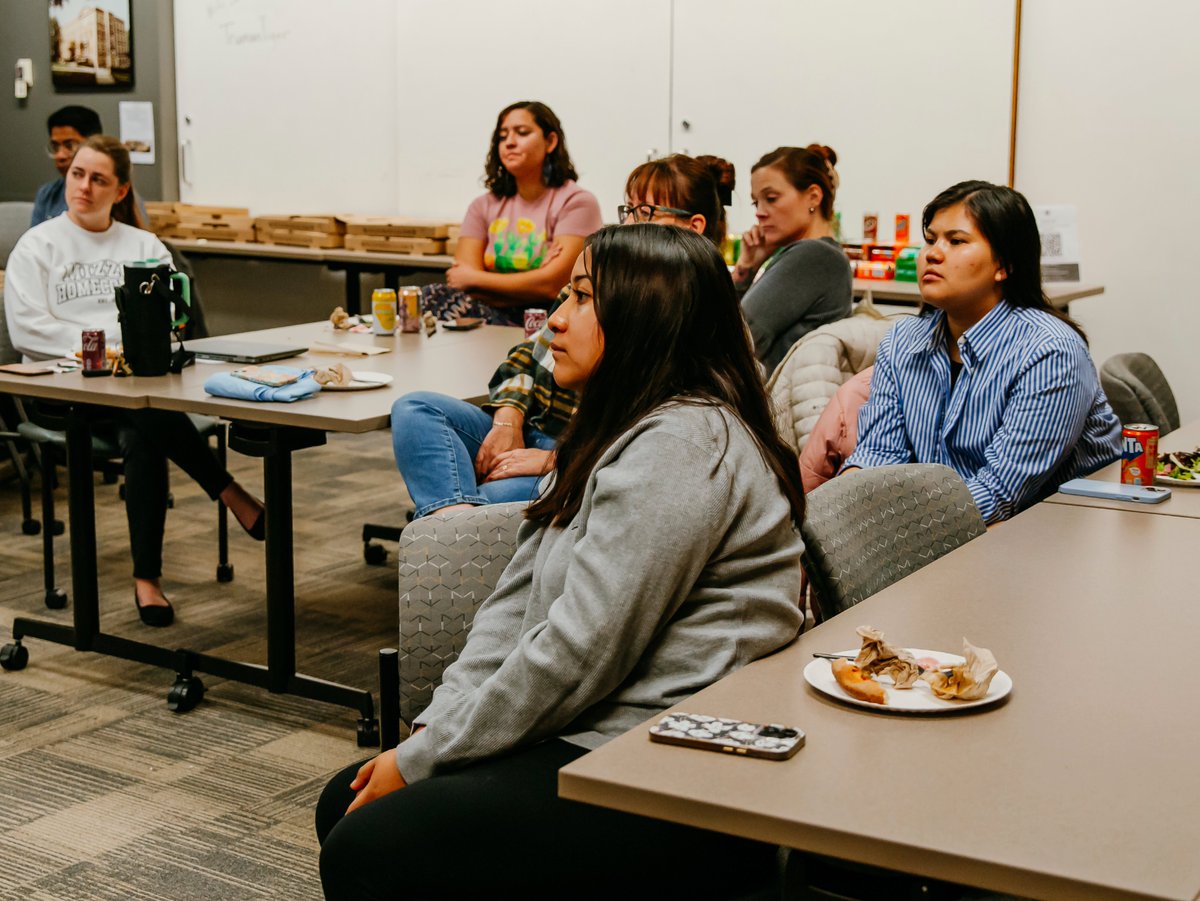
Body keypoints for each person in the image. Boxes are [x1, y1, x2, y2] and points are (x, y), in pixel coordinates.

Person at [317, 224, 806, 900]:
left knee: (366, 844)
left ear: (645, 318)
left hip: (678, 764)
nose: (555, 320)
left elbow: (582, 652)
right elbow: (514, 602)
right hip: (602, 723)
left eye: (581, 297)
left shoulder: (682, 444)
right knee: (347, 803)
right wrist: (437, 726)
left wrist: (431, 755)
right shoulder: (616, 426)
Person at [5, 135, 265, 626]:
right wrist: (110, 345)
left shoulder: (143, 247)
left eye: (98, 179)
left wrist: (126, 349)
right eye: (77, 174)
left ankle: (149, 578)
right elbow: (28, 332)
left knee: (140, 427)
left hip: (134, 387)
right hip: (61, 390)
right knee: (144, 415)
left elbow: (168, 326)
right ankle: (228, 493)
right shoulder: (37, 245)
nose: (83, 186)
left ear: (121, 190)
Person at [392, 153, 735, 518]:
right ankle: (455, 524)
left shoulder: (682, 314)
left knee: (489, 497)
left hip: (583, 452)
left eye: (646, 211)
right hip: (536, 426)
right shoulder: (600, 277)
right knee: (415, 409)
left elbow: (648, 438)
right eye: (628, 209)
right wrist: (509, 420)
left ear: (693, 226)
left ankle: (452, 525)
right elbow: (526, 358)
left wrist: (556, 458)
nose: (631, 222)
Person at [844, 180, 1122, 524]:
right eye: (930, 239)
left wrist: (890, 529)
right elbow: (877, 456)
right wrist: (839, 515)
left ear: (1003, 265)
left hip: (1054, 536)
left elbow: (998, 494)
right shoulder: (902, 340)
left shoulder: (1050, 351)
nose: (932, 254)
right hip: (940, 529)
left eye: (956, 241)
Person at [423, 100, 603, 326]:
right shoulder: (482, 206)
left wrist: (478, 279)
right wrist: (534, 279)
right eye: (502, 136)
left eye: (522, 133)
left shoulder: (577, 202)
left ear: (550, 141)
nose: (509, 142)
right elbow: (464, 283)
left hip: (549, 318)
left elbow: (552, 287)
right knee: (431, 294)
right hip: (489, 314)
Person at [735, 145, 853, 374]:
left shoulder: (814, 256)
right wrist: (748, 266)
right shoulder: (825, 254)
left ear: (813, 197)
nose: (759, 212)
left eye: (771, 198)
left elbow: (735, 338)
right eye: (755, 202)